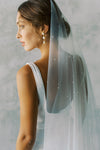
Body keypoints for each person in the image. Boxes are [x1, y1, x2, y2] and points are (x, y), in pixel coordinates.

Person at [16, 0, 97, 150]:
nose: (17, 35)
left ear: (43, 28)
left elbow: (27, 138)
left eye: (21, 26)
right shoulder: (77, 64)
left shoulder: (27, 74)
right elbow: (80, 118)